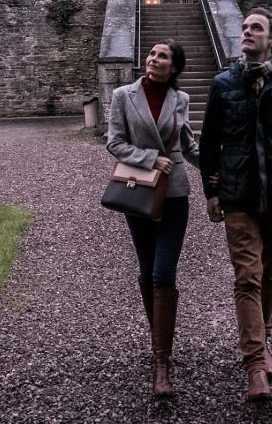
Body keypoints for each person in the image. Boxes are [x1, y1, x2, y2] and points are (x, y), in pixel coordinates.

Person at [199, 7, 272, 403]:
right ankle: (254, 366)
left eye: (256, 28)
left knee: (270, 272)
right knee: (247, 275)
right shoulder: (223, 83)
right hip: (238, 196)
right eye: (245, 27)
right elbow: (208, 142)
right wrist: (211, 192)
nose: (246, 32)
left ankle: (264, 339)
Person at [106, 39, 201, 399]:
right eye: (151, 54)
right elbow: (114, 142)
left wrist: (217, 171)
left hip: (175, 195)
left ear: (174, 67)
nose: (153, 59)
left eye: (162, 56)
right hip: (139, 193)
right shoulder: (123, 95)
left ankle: (162, 362)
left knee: (164, 272)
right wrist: (149, 158)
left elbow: (188, 147)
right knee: (147, 272)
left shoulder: (182, 100)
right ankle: (158, 339)